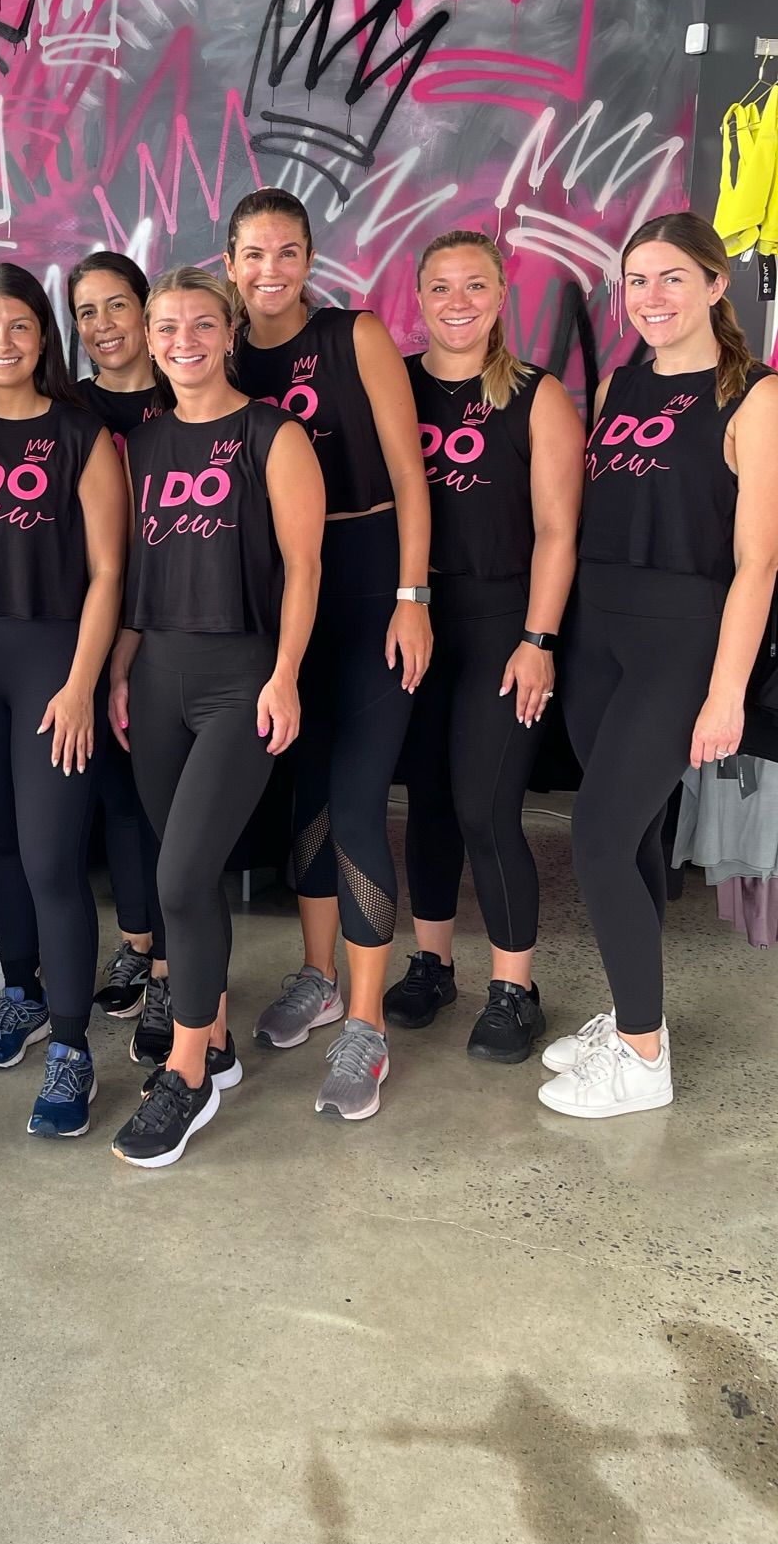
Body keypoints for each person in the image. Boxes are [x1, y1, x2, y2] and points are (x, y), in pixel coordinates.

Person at [541, 211, 778, 1118]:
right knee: (631, 835)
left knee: (597, 837)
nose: (651, 297)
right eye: (636, 280)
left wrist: (727, 692)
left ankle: (643, 1060)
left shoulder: (756, 397)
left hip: (680, 643)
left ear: (716, 285)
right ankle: (636, 1012)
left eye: (673, 277)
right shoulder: (618, 386)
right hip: (596, 634)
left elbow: (759, 562)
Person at [109, 268, 322, 1166]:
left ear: (230, 332)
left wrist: (285, 675)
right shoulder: (142, 442)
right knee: (185, 880)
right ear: (149, 339)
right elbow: (136, 571)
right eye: (167, 326)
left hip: (242, 680)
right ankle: (219, 1036)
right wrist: (121, 666)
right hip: (158, 676)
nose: (183, 340)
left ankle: (187, 1075)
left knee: (182, 876)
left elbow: (305, 567)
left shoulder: (273, 433)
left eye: (202, 323)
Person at [228, 188, 431, 1121]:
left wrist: (412, 597)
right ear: (230, 264)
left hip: (368, 578)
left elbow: (410, 475)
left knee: (355, 803)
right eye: (254, 254)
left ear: (310, 258)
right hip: (282, 596)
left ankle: (366, 1023)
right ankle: (317, 977)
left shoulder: (355, 336)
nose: (270, 270)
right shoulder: (223, 351)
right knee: (305, 799)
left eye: (287, 252)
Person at [0, 264, 126, 1139]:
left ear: (45, 336)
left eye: (18, 326)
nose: (2, 342)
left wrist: (82, 683)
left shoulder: (80, 432)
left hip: (52, 659)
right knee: (2, 843)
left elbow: (109, 571)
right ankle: (24, 991)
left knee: (51, 858)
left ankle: (74, 1047)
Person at [390, 231, 583, 1062]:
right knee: (427, 798)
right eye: (441, 287)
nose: (458, 302)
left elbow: (557, 530)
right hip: (416, 618)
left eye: (475, 285)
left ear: (502, 296)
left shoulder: (537, 395)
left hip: (504, 620)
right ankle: (433, 963)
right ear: (419, 297)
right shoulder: (395, 385)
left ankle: (514, 989)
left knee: (485, 805)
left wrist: (538, 638)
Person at [68, 250, 167, 1023]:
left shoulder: (189, 388)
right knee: (121, 798)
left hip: (177, 622)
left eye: (116, 305)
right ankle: (137, 942)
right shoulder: (68, 408)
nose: (103, 324)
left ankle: (174, 961)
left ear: (146, 308)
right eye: (86, 312)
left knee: (171, 801)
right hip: (95, 620)